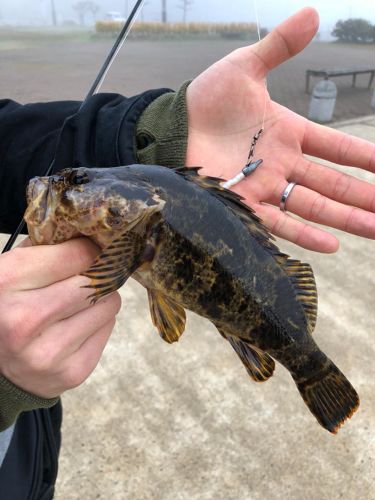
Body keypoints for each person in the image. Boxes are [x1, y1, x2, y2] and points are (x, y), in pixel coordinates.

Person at [0, 7, 374, 498]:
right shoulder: (133, 219)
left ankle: (307, 363)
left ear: (124, 209)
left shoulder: (135, 222)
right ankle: (306, 362)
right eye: (70, 181)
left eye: (73, 182)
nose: (54, 187)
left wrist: (161, 130)